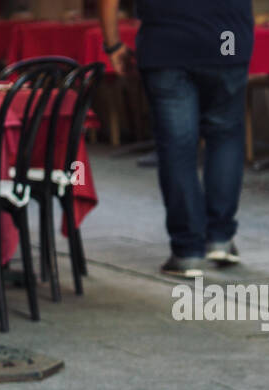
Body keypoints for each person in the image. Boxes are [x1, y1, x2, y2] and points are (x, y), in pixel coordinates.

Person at [100, 0, 254, 278]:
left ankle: (187, 251)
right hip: (226, 39)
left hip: (167, 43)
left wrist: (112, 44)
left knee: (177, 147)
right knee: (225, 135)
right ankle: (220, 238)